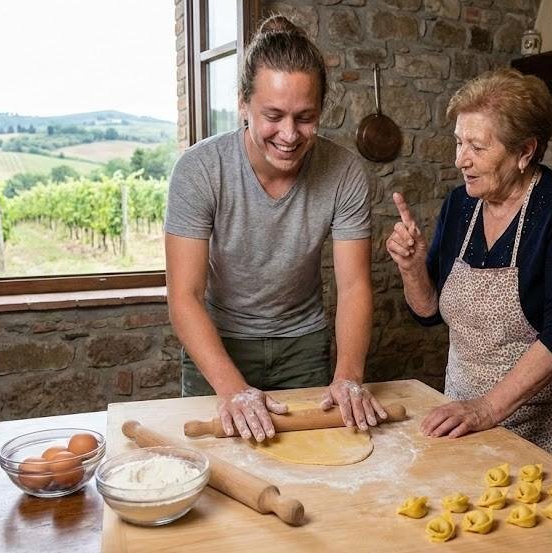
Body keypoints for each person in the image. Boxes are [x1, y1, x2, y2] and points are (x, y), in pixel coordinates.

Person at [165, 15, 386, 444]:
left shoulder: (344, 171)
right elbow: (184, 296)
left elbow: (355, 286)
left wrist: (348, 377)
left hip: (303, 345)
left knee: (316, 461)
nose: (289, 135)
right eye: (273, 115)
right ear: (243, 104)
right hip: (219, 344)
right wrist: (232, 390)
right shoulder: (199, 170)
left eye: (305, 117)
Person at [386, 68, 552, 474]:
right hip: (466, 414)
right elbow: (429, 311)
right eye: (458, 143)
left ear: (525, 152)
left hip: (546, 419)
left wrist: (488, 407)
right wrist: (413, 268)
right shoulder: (460, 204)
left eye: (477, 147)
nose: (460, 160)